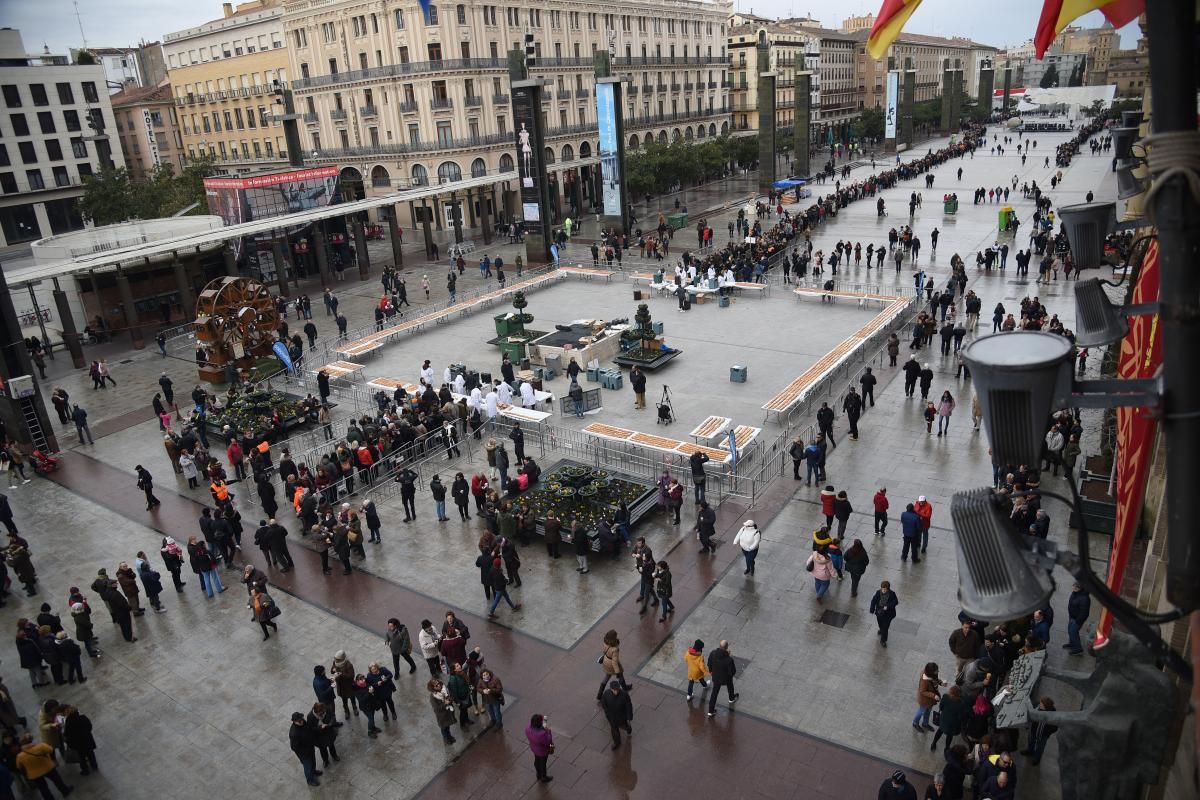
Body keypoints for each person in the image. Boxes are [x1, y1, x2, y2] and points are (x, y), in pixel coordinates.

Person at [705, 639, 738, 717]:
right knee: (730, 686)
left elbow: (709, 663)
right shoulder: (729, 660)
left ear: (719, 646)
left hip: (716, 677)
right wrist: (728, 656)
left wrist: (711, 671)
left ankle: (710, 711)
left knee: (714, 693)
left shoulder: (713, 653)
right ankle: (731, 698)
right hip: (726, 679)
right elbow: (732, 672)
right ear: (727, 647)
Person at [288, 712, 322, 786]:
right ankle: (310, 780)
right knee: (308, 767)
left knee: (313, 762)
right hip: (305, 754)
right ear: (294, 721)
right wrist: (305, 752)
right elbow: (294, 747)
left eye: (302, 719)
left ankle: (314, 771)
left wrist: (318, 729)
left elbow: (310, 729)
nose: (302, 721)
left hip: (310, 747)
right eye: (299, 721)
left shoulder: (303, 722)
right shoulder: (294, 733)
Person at [597, 629, 632, 699]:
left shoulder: (605, 642)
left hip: (606, 661)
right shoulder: (615, 649)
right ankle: (625, 687)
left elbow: (604, 651)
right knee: (620, 674)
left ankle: (599, 694)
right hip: (611, 664)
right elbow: (614, 662)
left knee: (607, 676)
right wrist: (617, 672)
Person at [600, 680, 634, 750]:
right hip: (612, 717)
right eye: (614, 690)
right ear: (611, 689)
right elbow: (603, 703)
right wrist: (607, 713)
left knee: (625, 726)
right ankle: (617, 742)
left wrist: (629, 717)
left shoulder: (624, 694)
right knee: (614, 730)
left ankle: (628, 729)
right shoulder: (606, 693)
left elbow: (629, 706)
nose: (616, 691)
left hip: (622, 717)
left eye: (617, 689)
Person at [931, 685, 966, 753]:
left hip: (944, 719)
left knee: (940, 731)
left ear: (952, 694)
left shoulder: (945, 697)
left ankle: (933, 743)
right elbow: (960, 717)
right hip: (953, 724)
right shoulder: (961, 704)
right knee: (949, 736)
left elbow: (941, 707)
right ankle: (947, 748)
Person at [914, 663, 946, 731]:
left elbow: (935, 680)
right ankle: (915, 723)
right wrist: (934, 695)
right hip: (925, 700)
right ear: (931, 672)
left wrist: (941, 683)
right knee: (921, 711)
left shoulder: (932, 675)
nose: (938, 671)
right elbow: (922, 691)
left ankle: (925, 724)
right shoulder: (924, 680)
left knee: (928, 711)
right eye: (936, 671)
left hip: (930, 699)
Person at [307, 702, 340, 768]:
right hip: (319, 737)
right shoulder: (310, 716)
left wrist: (330, 723)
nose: (322, 714)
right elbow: (310, 729)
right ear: (316, 712)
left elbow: (332, 716)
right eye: (321, 713)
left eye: (323, 712)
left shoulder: (326, 708)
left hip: (329, 732)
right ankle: (325, 760)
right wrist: (320, 728)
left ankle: (334, 755)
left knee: (331, 745)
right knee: (323, 749)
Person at [427, 678, 458, 745]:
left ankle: (449, 736)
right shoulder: (433, 697)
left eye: (438, 684)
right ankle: (446, 739)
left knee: (448, 726)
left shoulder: (444, 689)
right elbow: (436, 708)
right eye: (436, 685)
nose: (438, 686)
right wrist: (444, 704)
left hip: (448, 713)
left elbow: (450, 696)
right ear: (433, 688)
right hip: (442, 716)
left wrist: (450, 699)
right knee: (444, 728)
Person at [525, 713, 554, 782]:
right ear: (539, 723)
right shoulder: (541, 734)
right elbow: (548, 741)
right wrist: (549, 732)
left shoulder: (528, 729)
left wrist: (542, 717)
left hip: (534, 749)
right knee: (543, 763)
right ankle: (543, 777)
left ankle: (538, 774)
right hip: (542, 751)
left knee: (537, 761)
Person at [869, 580, 899, 646]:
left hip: (888, 614)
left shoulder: (892, 594)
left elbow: (896, 602)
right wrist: (872, 609)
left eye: (885, 589)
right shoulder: (878, 593)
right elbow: (873, 601)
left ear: (888, 589)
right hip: (879, 612)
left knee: (885, 627)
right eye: (882, 589)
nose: (883, 591)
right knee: (880, 623)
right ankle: (881, 629)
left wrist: (887, 606)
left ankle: (883, 640)